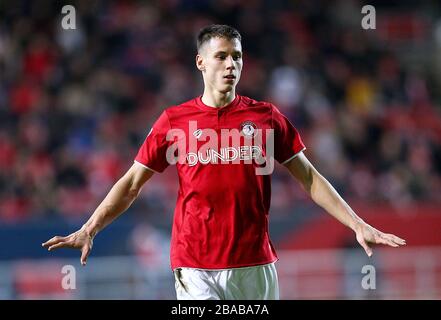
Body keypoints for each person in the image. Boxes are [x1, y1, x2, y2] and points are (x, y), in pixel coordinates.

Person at [42, 24, 406, 300]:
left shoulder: (266, 118)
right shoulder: (174, 121)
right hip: (195, 263)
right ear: (201, 62)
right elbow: (132, 183)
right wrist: (91, 227)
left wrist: (357, 223)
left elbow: (309, 178)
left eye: (237, 56)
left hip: (255, 262)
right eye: (221, 56)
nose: (231, 64)